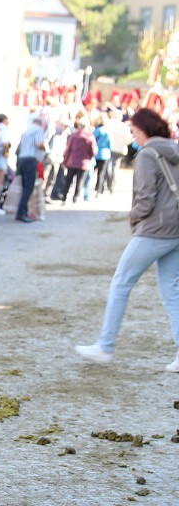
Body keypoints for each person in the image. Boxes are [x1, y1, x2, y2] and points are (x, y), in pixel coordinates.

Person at [76, 108, 179, 370]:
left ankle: (105, 346)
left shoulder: (147, 155)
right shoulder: (174, 150)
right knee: (172, 292)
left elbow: (145, 197)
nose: (132, 134)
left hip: (155, 229)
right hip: (176, 228)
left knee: (121, 283)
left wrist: (135, 218)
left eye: (133, 130)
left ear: (143, 129)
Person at [14, 113, 47, 223]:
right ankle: (22, 212)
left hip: (22, 159)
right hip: (30, 159)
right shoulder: (37, 130)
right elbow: (39, 144)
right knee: (29, 187)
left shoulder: (26, 132)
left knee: (25, 187)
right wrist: (44, 148)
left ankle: (22, 211)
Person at [62, 113, 97, 204]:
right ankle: (75, 197)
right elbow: (94, 151)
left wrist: (66, 160)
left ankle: (64, 197)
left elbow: (68, 149)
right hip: (84, 162)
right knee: (80, 181)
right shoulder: (90, 136)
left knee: (68, 180)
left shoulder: (74, 136)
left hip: (72, 161)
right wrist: (89, 156)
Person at [93, 111, 112, 196]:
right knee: (101, 173)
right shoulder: (108, 131)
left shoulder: (96, 130)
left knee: (92, 172)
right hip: (105, 154)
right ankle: (99, 189)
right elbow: (111, 144)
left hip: (96, 153)